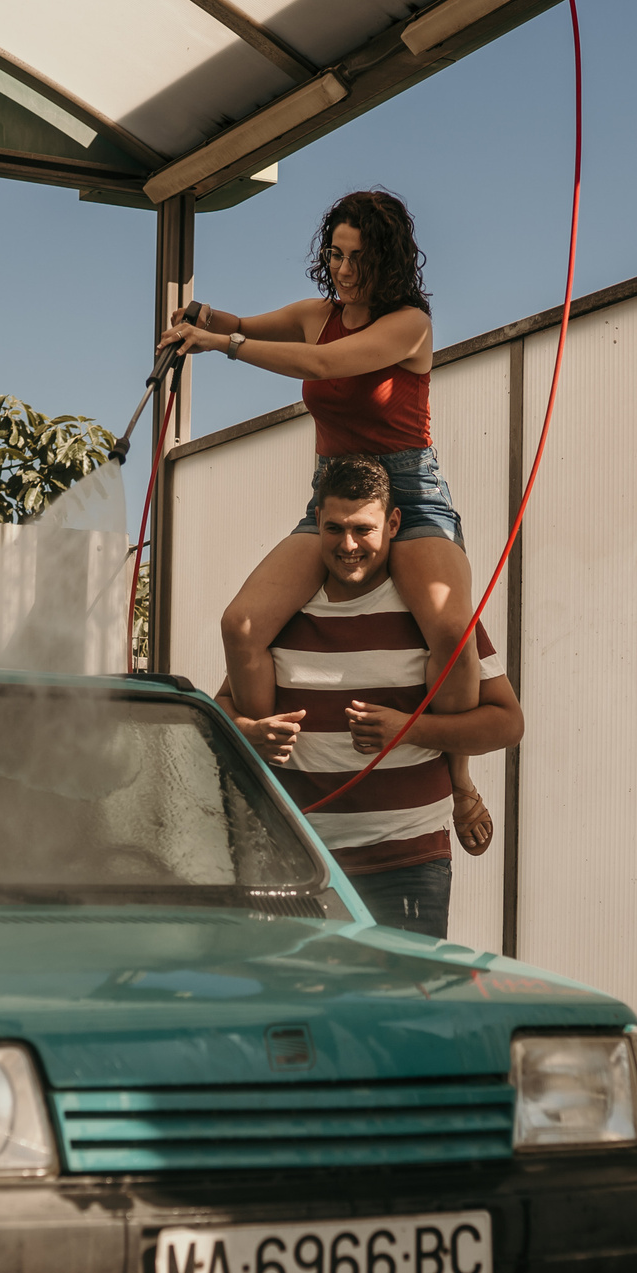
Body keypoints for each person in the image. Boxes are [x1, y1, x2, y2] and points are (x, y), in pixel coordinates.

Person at [159, 187, 494, 854]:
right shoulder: (317, 314)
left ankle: (460, 780)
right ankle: (263, 786)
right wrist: (202, 317)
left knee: (451, 633)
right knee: (240, 625)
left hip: (408, 493)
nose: (342, 270)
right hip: (333, 496)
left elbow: (319, 364)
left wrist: (220, 343)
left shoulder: (410, 325)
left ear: (387, 260)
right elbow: (244, 321)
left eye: (357, 258)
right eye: (335, 255)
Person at [218, 455, 522, 941]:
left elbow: (507, 723)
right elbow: (221, 710)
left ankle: (462, 788)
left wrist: (409, 729)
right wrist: (249, 732)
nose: (348, 545)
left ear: (393, 524)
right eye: (334, 529)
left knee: (402, 992)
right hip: (297, 863)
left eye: (363, 529)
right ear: (316, 522)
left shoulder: (430, 614)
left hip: (407, 861)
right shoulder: (282, 610)